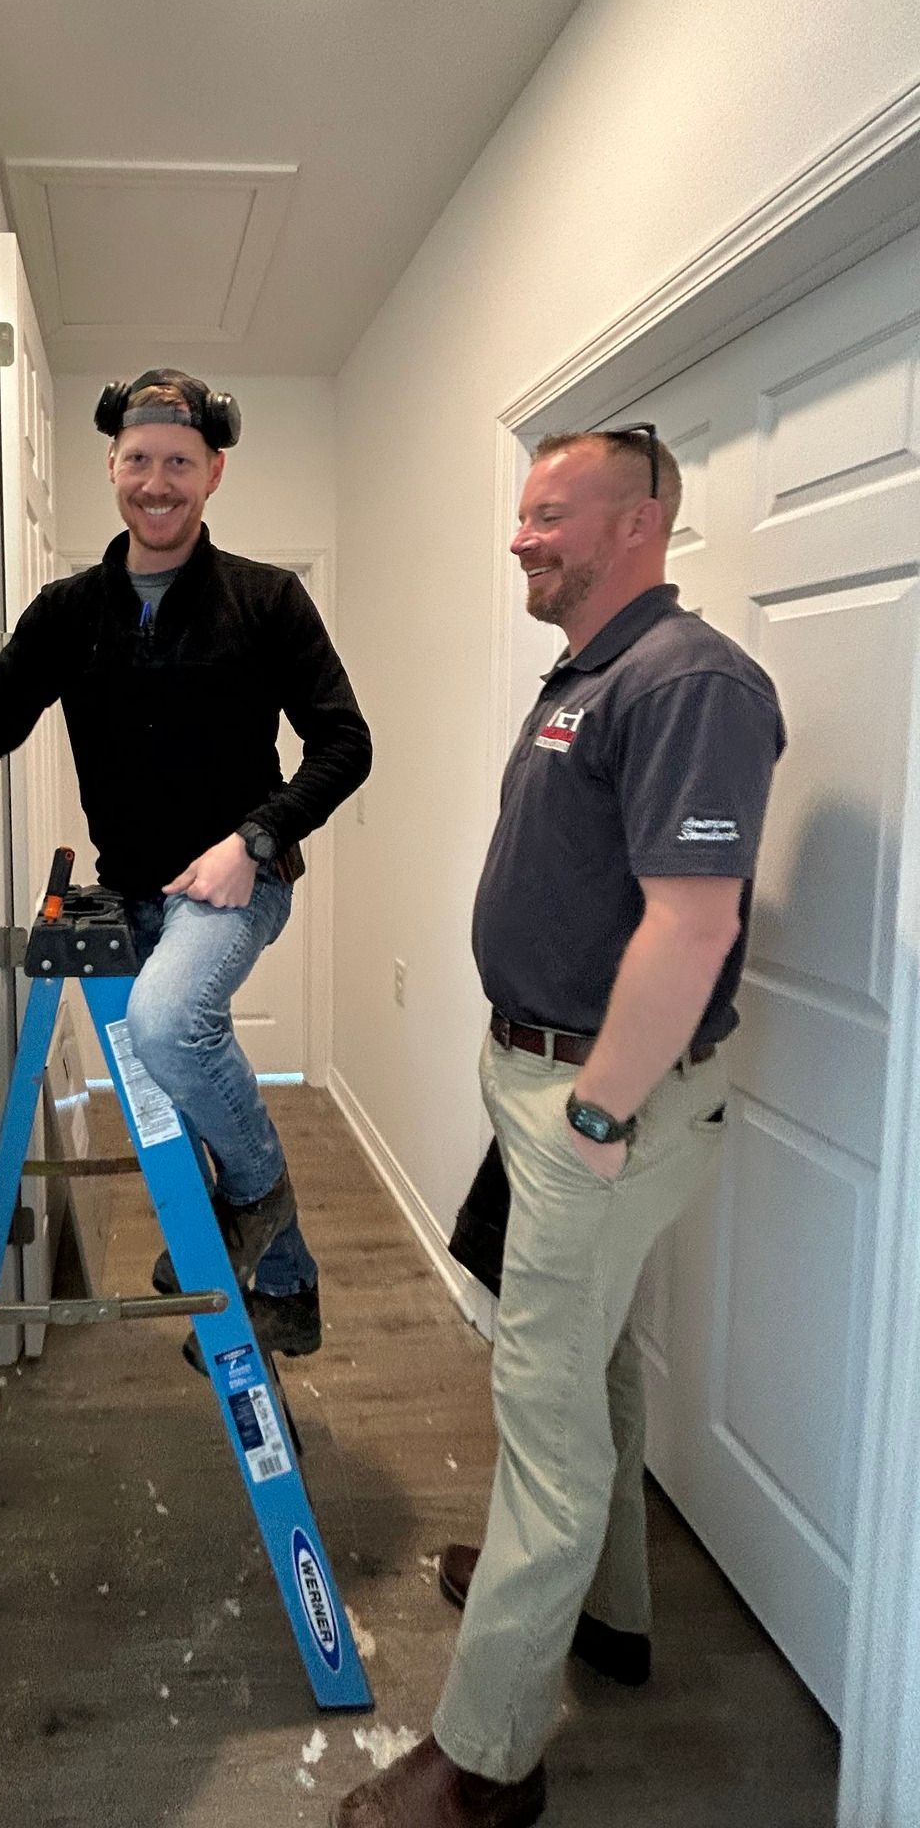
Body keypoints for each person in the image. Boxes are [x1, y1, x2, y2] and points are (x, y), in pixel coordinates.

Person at [336, 425, 785, 1828]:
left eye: (549, 514)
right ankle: (606, 1610)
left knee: (544, 1414)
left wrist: (594, 1109)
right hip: (545, 1077)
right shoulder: (594, 669)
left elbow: (694, 919)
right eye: (522, 515)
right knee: (584, 1369)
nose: (521, 538)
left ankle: (485, 1760)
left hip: (601, 1094)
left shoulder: (691, 679)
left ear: (639, 523)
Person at [0, 369, 371, 1358]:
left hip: (237, 882)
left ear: (212, 471)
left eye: (177, 461)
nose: (155, 481)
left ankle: (248, 1205)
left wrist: (254, 839)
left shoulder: (267, 599)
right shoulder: (69, 611)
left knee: (170, 1023)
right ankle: (285, 1282)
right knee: (184, 1067)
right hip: (131, 893)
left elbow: (344, 742)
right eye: (137, 460)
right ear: (112, 467)